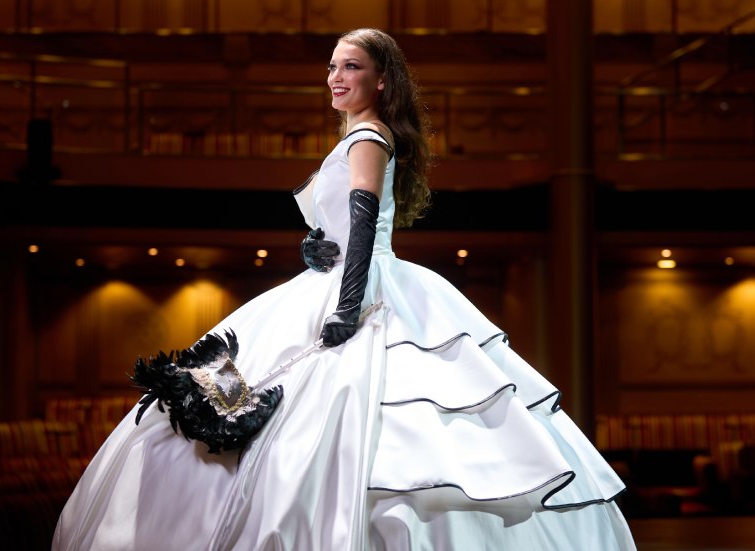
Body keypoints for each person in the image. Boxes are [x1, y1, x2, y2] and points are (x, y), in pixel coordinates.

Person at [52, 28, 636, 550]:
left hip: (358, 290)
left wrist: (348, 302)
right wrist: (314, 247)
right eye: (331, 66)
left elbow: (364, 221)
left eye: (351, 66)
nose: (336, 76)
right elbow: (344, 224)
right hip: (332, 280)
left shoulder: (368, 137)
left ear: (382, 80)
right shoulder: (360, 136)